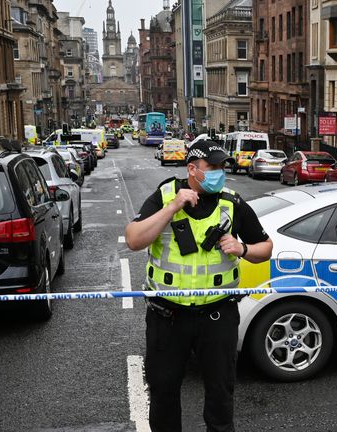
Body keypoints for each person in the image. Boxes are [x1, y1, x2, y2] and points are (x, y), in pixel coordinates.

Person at [125, 141, 273, 432]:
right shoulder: (166, 195)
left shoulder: (232, 202)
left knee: (220, 395)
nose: (220, 173)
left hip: (217, 316)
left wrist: (242, 249)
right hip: (167, 316)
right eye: (213, 167)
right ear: (192, 169)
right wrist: (173, 207)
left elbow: (265, 248)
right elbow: (134, 239)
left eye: (222, 167)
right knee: (164, 393)